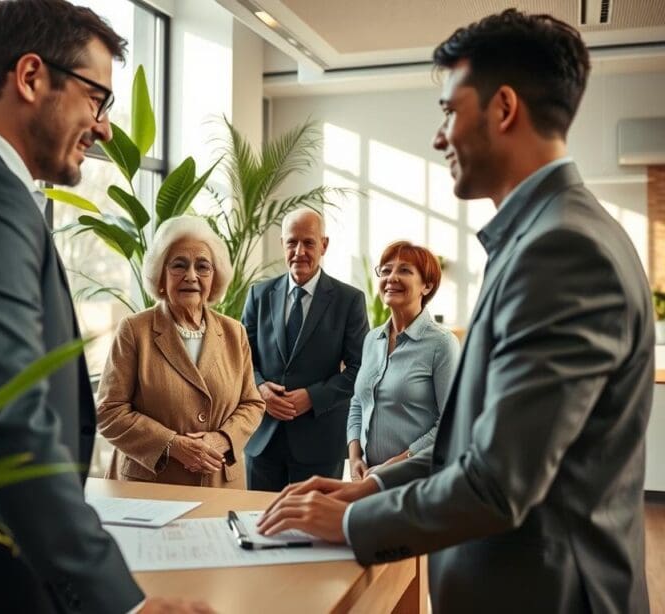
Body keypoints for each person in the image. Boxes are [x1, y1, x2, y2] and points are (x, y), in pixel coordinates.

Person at [258, 9, 653, 614]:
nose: (439, 136)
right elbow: (471, 446)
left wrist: (354, 521)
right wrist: (365, 486)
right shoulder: (543, 237)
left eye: (448, 110)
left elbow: (497, 482)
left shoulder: (562, 251)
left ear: (502, 108)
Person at [0, 1, 211, 612]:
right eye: (97, 99)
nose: (105, 129)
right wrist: (123, 602)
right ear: (32, 76)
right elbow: (5, 419)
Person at [96, 216, 264, 487]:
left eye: (202, 266)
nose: (191, 276)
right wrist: (171, 444)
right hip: (149, 486)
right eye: (179, 265)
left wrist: (222, 439)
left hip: (218, 482)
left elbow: (252, 404)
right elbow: (109, 411)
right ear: (161, 276)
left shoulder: (235, 332)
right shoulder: (134, 330)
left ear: (214, 278)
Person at [242, 208, 369, 491]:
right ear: (283, 243)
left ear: (324, 245)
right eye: (292, 242)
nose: (299, 251)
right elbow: (240, 359)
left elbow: (360, 368)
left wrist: (312, 397)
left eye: (308, 242)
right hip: (263, 440)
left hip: (320, 442)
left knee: (311, 530)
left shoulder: (349, 300)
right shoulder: (258, 295)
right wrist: (261, 388)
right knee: (258, 525)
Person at [347, 241, 459, 481]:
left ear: (426, 286)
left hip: (417, 482)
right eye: (386, 270)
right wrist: (355, 457)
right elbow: (358, 402)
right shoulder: (371, 339)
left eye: (405, 270)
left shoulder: (442, 343)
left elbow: (450, 425)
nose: (391, 277)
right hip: (368, 479)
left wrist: (398, 464)